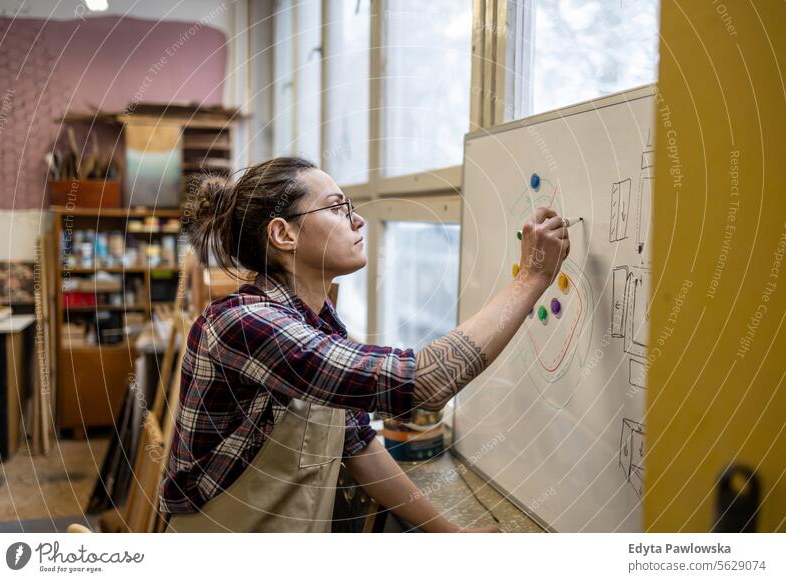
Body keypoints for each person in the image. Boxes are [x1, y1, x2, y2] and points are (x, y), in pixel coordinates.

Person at [160, 157, 570, 532]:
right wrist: (531, 278)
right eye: (337, 208)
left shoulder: (317, 324)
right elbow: (426, 383)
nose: (357, 222)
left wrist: (452, 536)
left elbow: (358, 443)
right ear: (283, 234)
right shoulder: (244, 324)